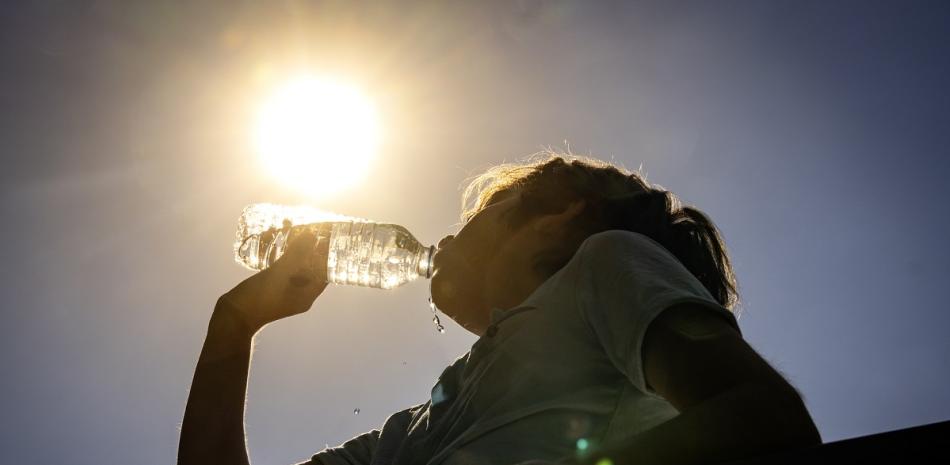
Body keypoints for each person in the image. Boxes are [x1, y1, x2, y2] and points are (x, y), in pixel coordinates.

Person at [178, 154, 822, 465]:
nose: (452, 237)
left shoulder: (605, 262)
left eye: (483, 214)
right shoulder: (417, 428)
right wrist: (232, 327)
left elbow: (762, 421)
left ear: (557, 220)